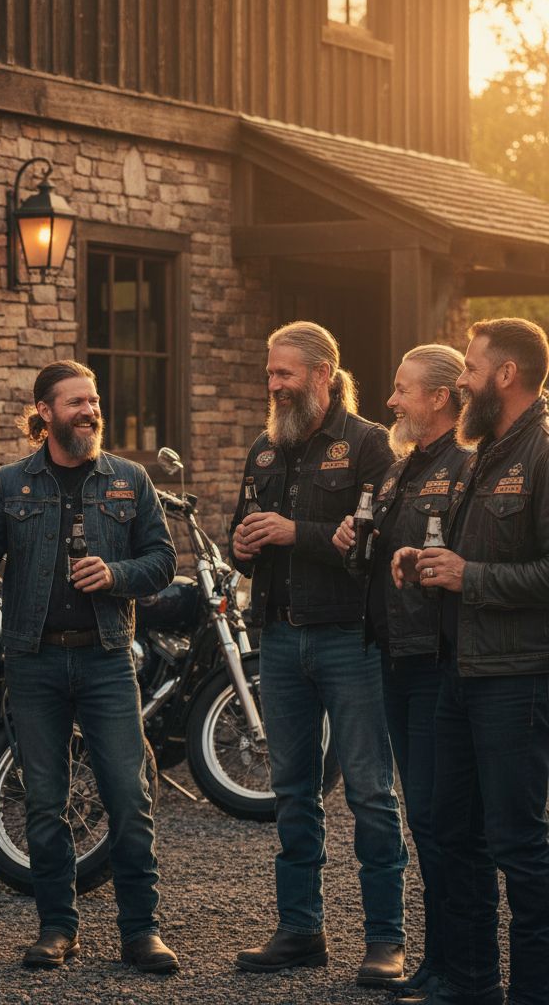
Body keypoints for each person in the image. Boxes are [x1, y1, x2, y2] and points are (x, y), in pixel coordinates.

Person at [0, 360, 179, 974]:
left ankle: (141, 931)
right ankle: (56, 928)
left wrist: (116, 574)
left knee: (129, 796)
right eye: (76, 402)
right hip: (34, 661)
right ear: (44, 412)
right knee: (44, 802)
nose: (90, 411)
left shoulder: (129, 480)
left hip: (104, 660)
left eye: (94, 400)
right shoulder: (9, 484)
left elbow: (160, 559)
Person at [229, 321, 407, 986]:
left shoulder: (369, 447)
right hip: (278, 638)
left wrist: (292, 532)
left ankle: (386, 940)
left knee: (369, 792)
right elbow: (243, 530)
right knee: (292, 792)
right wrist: (242, 546)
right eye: (269, 374)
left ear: (323, 375)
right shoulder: (266, 449)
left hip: (350, 641)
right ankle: (300, 929)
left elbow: (380, 542)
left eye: (285, 375)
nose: (273, 386)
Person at [392, 318, 549, 1005]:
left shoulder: (543, 452)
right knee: (455, 832)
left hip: (517, 679)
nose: (463, 382)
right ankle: (474, 982)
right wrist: (421, 564)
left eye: (473, 370)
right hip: (461, 670)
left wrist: (470, 577)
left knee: (518, 845)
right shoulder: (484, 450)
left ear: (506, 376)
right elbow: (468, 554)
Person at [331, 344, 469, 1000]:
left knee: (446, 824)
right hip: (394, 659)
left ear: (439, 397)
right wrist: (351, 547)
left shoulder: (468, 465)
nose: (389, 401)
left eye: (401, 389)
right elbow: (372, 559)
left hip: (441, 664)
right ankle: (439, 962)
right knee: (427, 821)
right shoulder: (400, 469)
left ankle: (457, 968)